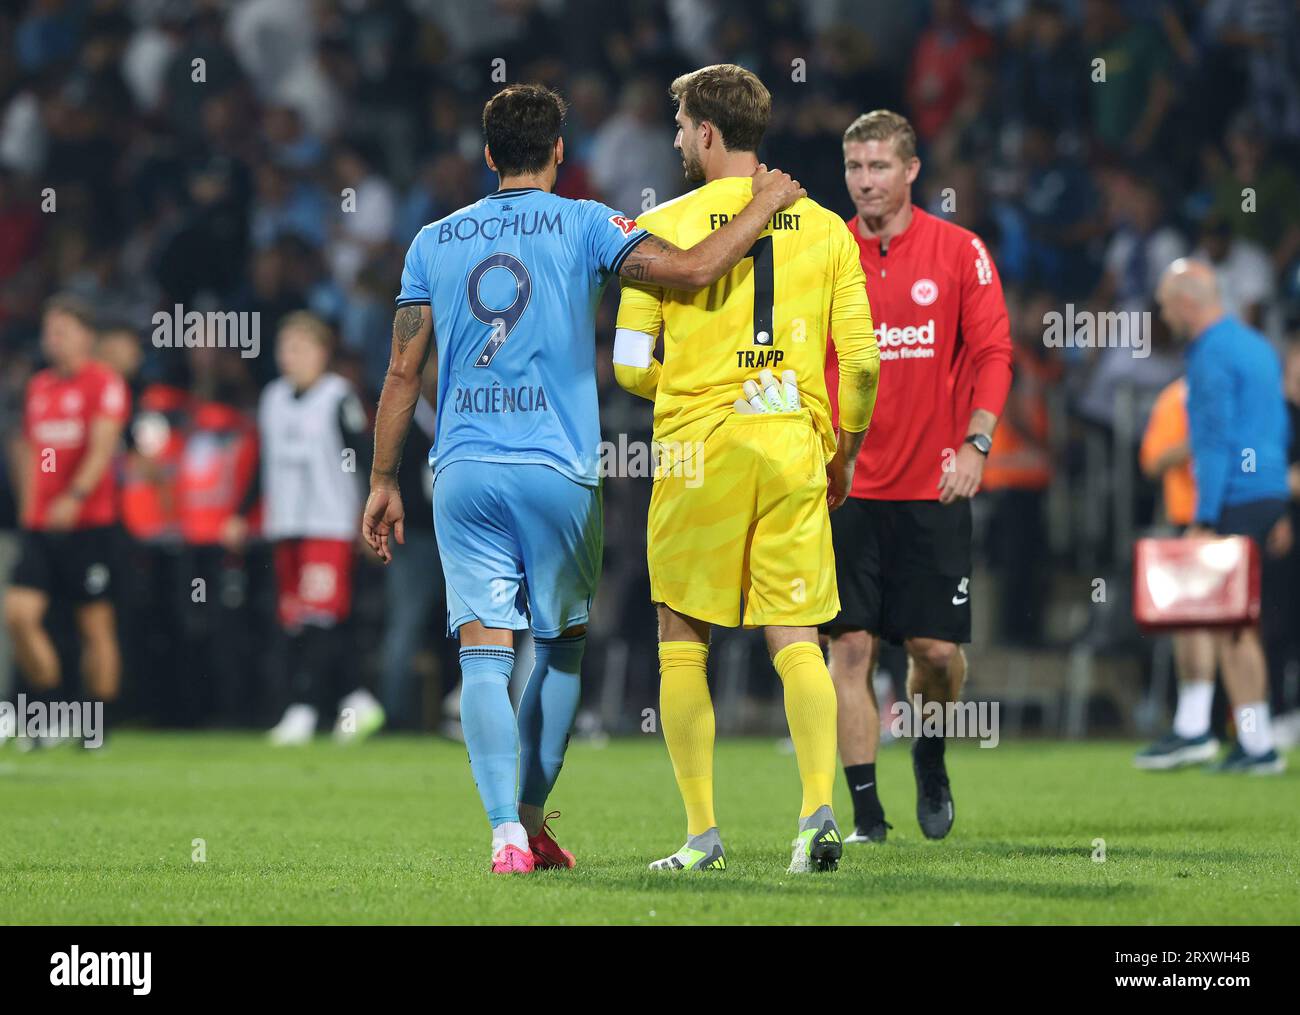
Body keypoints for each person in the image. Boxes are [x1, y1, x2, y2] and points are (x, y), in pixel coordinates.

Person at [363, 83, 805, 875]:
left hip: (462, 469)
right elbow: (697, 268)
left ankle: (505, 834)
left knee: (483, 657)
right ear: (561, 152)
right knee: (561, 651)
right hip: (560, 471)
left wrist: (383, 479)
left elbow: (402, 370)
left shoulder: (433, 238)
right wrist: (765, 201)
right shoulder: (589, 222)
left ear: (489, 153)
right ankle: (532, 817)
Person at [614, 64, 880, 874]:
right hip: (794, 441)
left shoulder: (660, 222)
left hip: (699, 446)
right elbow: (863, 365)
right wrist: (842, 448)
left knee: (681, 636)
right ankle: (816, 819)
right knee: (798, 635)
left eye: (679, 126)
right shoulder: (829, 226)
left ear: (704, 133)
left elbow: (629, 364)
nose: (674, 140)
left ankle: (702, 836)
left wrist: (692, 388)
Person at [823, 109, 1012, 844]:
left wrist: (976, 444)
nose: (865, 181)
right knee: (851, 647)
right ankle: (868, 813)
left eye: (878, 167)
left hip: (934, 486)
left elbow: (994, 352)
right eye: (854, 168)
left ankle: (929, 754)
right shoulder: (825, 252)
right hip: (845, 487)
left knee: (934, 653)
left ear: (910, 172)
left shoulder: (961, 251)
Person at [1153, 259, 1290, 774]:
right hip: (1267, 492)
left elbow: (1213, 442)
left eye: (1167, 306)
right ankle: (1254, 741)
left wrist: (1205, 517)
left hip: (1235, 496)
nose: (1165, 317)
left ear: (1188, 302)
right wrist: (1276, 499)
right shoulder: (1257, 345)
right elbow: (1272, 428)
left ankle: (1220, 736)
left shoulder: (1209, 353)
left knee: (1223, 620)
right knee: (1241, 625)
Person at [4, 295, 129, 745]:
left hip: (89, 523)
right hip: (41, 525)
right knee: (18, 615)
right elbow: (30, 449)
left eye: (62, 331)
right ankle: (52, 708)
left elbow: (102, 446)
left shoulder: (103, 383)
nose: (52, 340)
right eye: (48, 331)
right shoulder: (39, 387)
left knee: (94, 624)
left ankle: (98, 723)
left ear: (85, 336)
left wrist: (74, 496)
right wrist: (29, 504)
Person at [254, 312, 383, 746]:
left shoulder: (338, 397)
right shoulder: (272, 398)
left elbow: (363, 455)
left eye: (300, 349)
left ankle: (304, 707)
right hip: (286, 523)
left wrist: (370, 515)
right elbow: (263, 461)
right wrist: (243, 510)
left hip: (328, 522)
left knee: (318, 618)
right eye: (285, 348)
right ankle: (356, 698)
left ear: (322, 353)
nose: (290, 357)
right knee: (300, 621)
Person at [1133, 376, 1220, 769]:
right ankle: (1196, 724)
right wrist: (1198, 442)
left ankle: (1248, 729)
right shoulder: (1176, 398)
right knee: (1194, 624)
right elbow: (1153, 460)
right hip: (1190, 520)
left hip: (1232, 514)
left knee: (1238, 627)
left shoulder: (1234, 389)